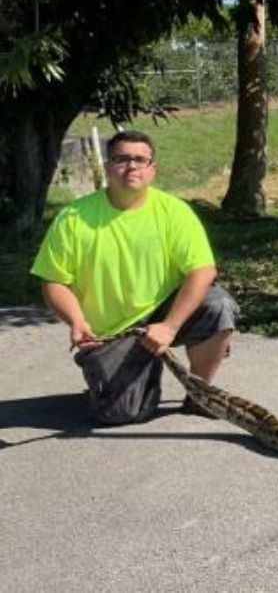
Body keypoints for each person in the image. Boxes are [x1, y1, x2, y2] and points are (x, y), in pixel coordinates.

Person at [31, 129, 239, 417]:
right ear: (107, 166)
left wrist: (169, 327)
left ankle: (200, 393)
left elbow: (203, 270)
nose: (132, 166)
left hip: (164, 313)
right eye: (122, 159)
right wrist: (76, 321)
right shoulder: (74, 217)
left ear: (152, 168)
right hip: (114, 332)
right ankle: (120, 374)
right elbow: (53, 281)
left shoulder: (173, 211)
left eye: (141, 160)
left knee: (218, 305)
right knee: (122, 414)